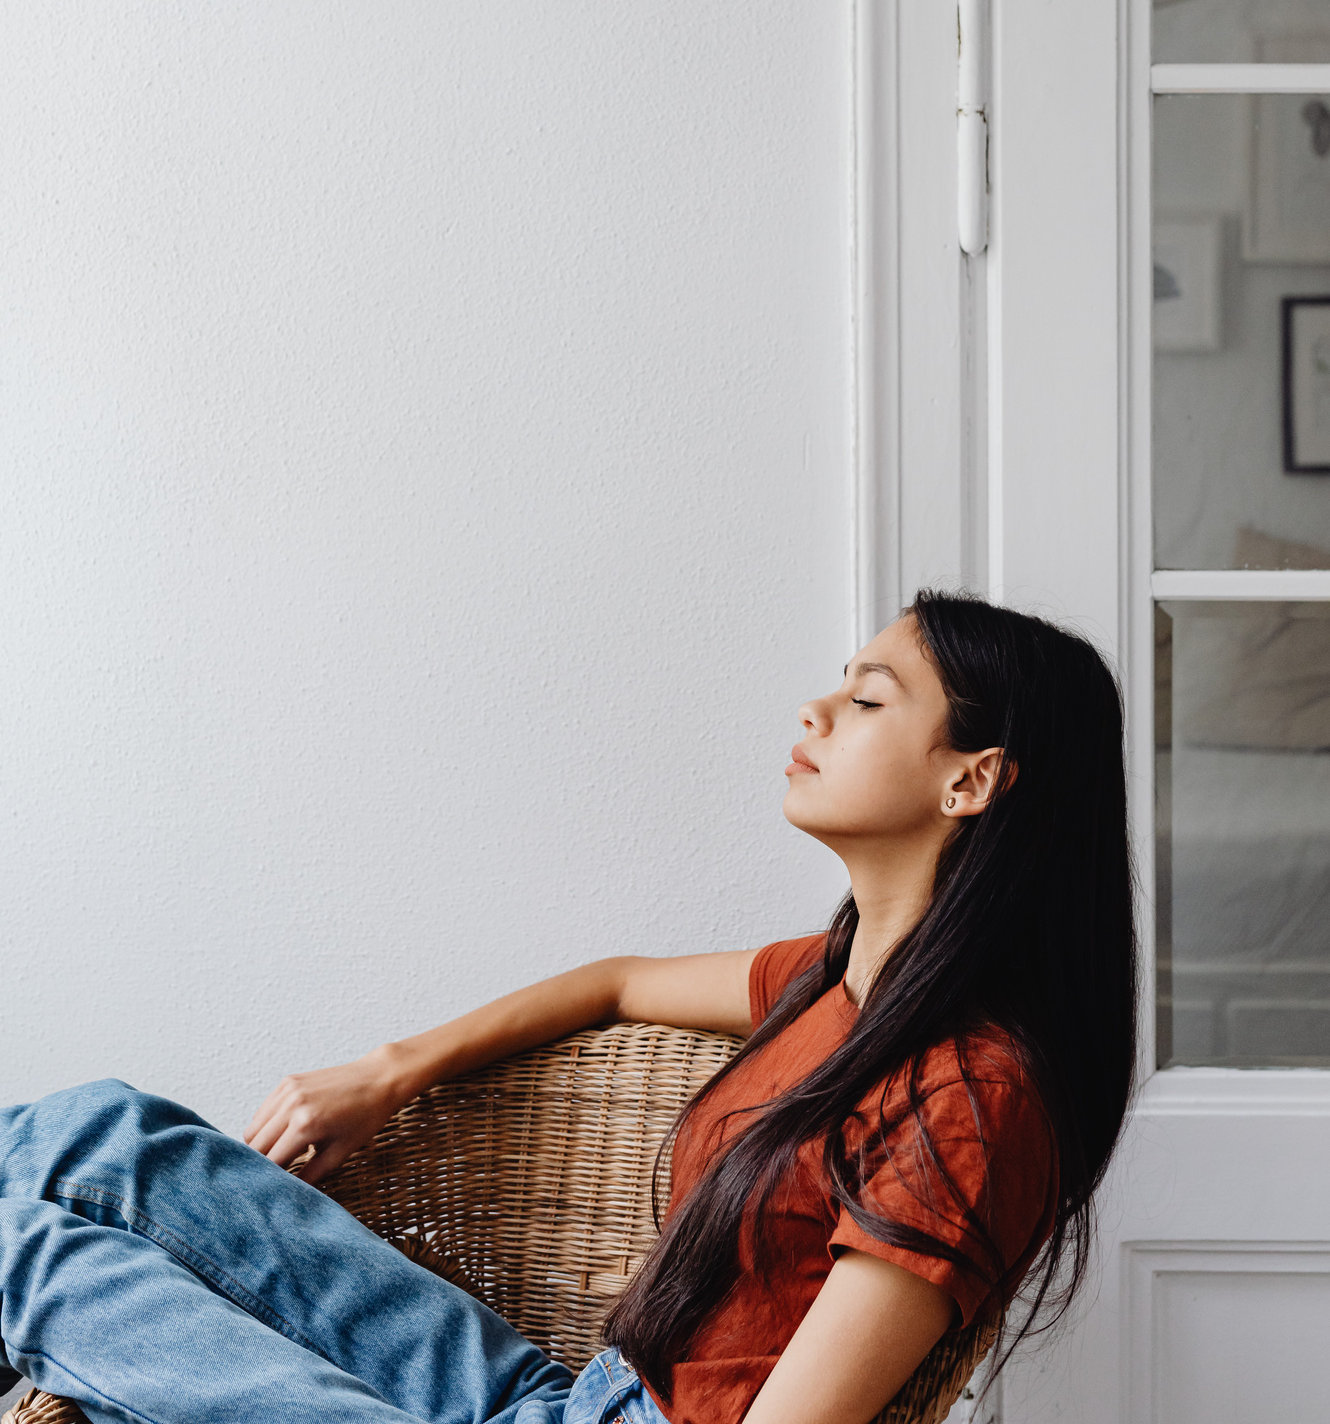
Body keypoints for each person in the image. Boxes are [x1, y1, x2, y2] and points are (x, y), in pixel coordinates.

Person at [0, 592, 1137, 1424]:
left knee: (37, 1258)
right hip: (564, 1397)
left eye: (866, 697)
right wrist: (391, 1069)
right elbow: (619, 981)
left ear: (970, 778)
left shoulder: (973, 1098)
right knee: (105, 1132)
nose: (815, 708)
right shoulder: (839, 979)